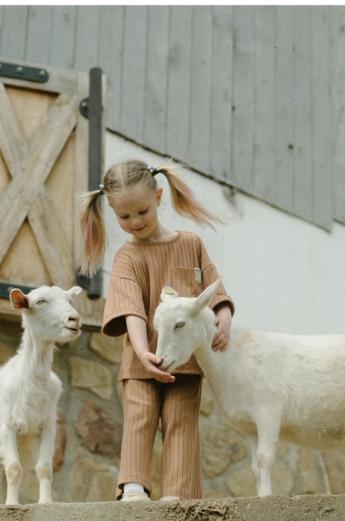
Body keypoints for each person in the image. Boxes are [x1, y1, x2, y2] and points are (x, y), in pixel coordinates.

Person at [80, 159, 235, 501]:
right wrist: (141, 352)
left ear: (159, 197)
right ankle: (134, 486)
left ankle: (177, 495)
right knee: (141, 414)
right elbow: (130, 308)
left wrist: (223, 315)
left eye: (142, 212)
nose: (134, 222)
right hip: (141, 361)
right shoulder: (126, 257)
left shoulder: (191, 244)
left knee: (182, 422)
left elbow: (214, 287)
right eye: (124, 217)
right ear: (112, 211)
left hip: (185, 361)